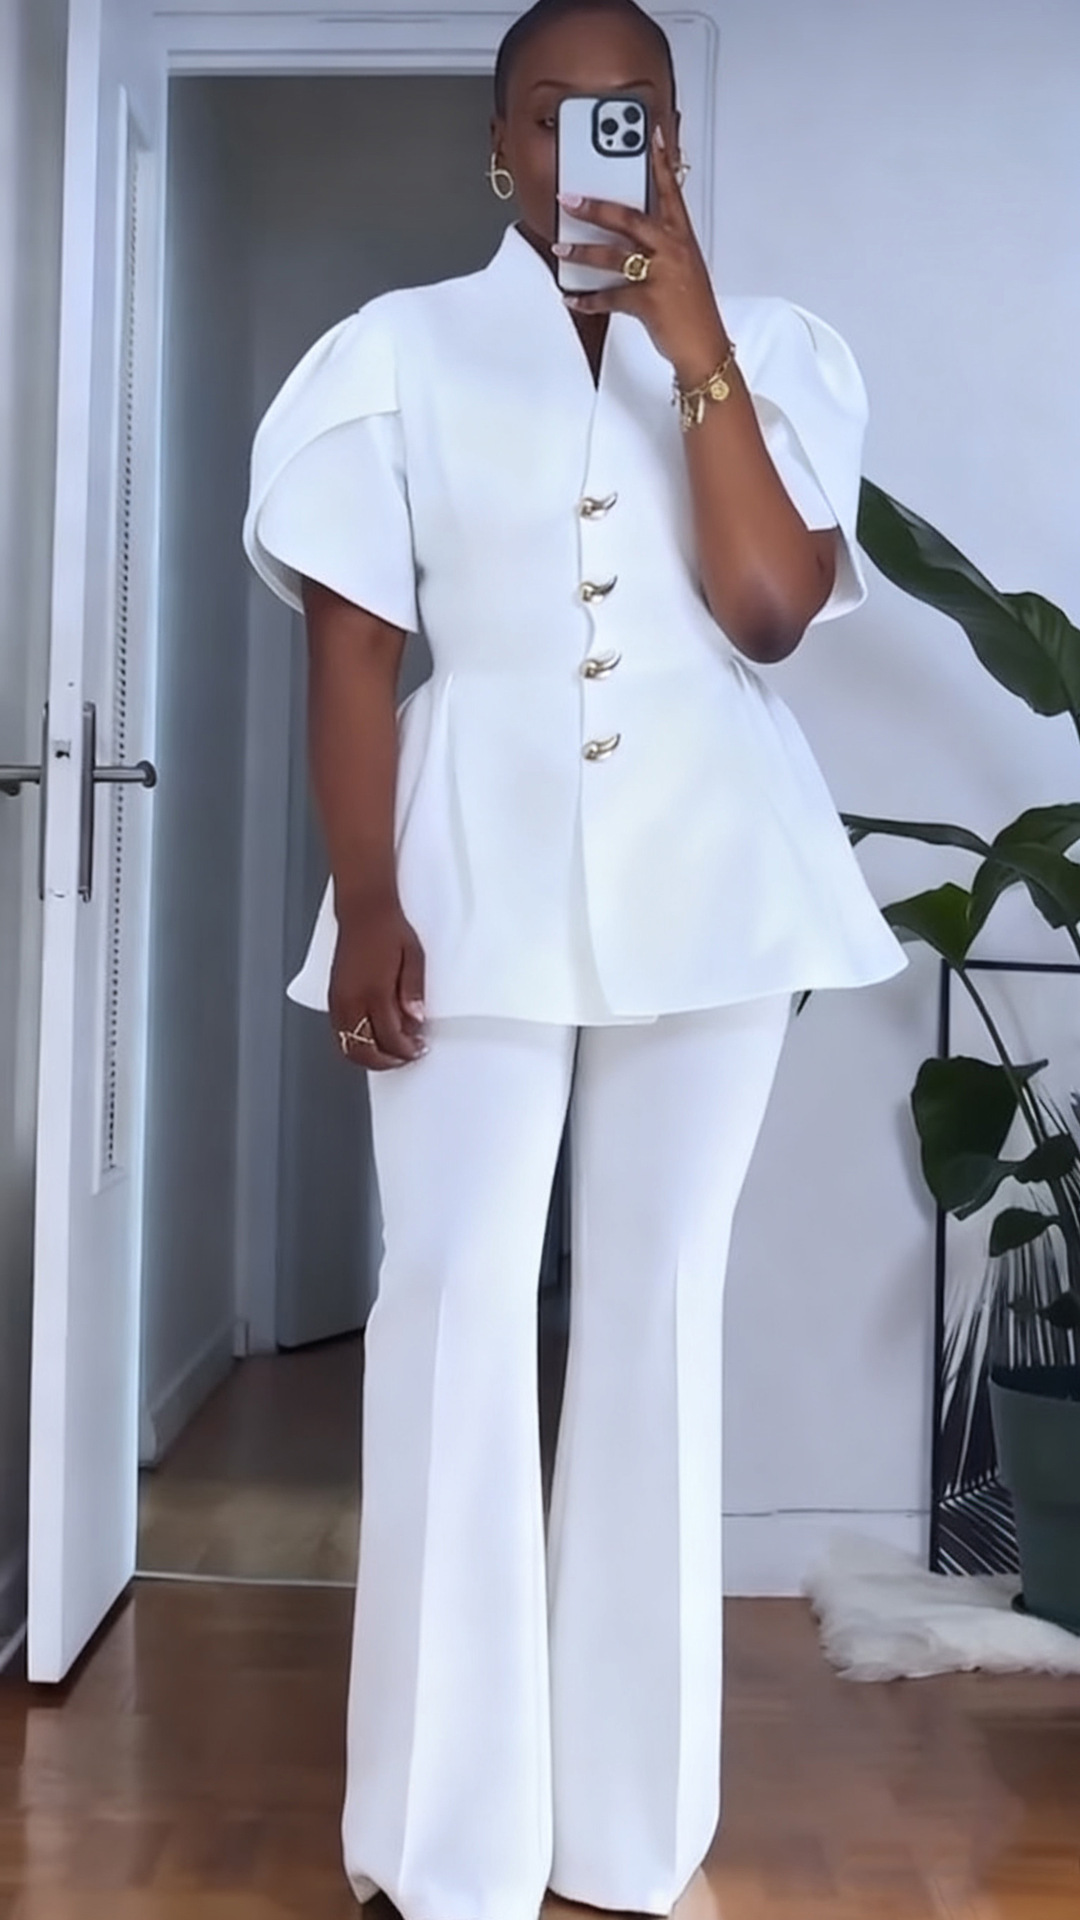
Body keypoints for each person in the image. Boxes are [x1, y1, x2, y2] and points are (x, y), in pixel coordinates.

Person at [243, 2, 907, 1914]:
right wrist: (369, 899)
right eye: (554, 116)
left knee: (657, 1305)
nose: (591, 149)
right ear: (498, 144)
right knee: (453, 1295)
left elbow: (767, 611)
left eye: (635, 116)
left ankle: (628, 1831)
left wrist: (692, 346)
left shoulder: (774, 349)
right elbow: (355, 653)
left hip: (717, 881)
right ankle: (441, 1843)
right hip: (464, 867)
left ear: (677, 140)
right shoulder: (390, 355)